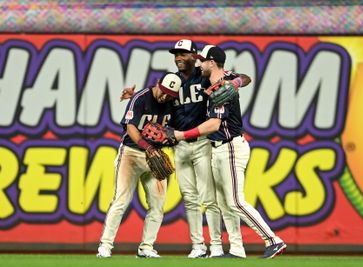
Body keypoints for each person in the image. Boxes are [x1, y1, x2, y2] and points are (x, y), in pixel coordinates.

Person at [120, 39, 251, 258]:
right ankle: (198, 246)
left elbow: (244, 77)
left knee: (209, 198)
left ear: (194, 56)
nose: (179, 58)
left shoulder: (205, 74)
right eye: (176, 54)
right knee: (189, 197)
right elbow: (155, 96)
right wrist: (133, 97)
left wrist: (236, 83)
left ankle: (216, 246)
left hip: (202, 143)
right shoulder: (172, 80)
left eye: (183, 54)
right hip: (179, 145)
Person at [173, 45, 287, 259]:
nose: (199, 64)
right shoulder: (218, 81)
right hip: (217, 149)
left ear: (212, 62)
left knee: (235, 200)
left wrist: (180, 135)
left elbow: (213, 125)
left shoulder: (219, 86)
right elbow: (244, 78)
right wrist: (237, 82)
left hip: (231, 146)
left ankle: (273, 240)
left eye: (202, 61)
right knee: (225, 203)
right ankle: (236, 249)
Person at [97, 72, 182, 258]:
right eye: (165, 91)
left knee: (158, 204)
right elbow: (131, 127)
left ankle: (146, 247)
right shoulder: (141, 98)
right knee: (121, 200)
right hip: (131, 153)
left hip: (156, 157)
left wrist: (169, 141)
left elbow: (174, 131)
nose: (166, 96)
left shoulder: (172, 103)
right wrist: (147, 146)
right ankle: (105, 245)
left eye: (170, 94)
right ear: (158, 83)